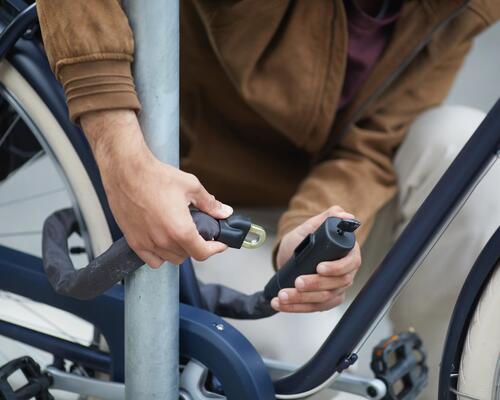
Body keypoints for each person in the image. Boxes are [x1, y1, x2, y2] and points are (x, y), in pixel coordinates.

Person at [36, 0, 500, 398]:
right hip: (203, 207)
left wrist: (313, 228)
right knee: (320, 367)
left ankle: (442, 381)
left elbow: (375, 142)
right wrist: (122, 159)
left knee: (470, 153)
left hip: (327, 211)